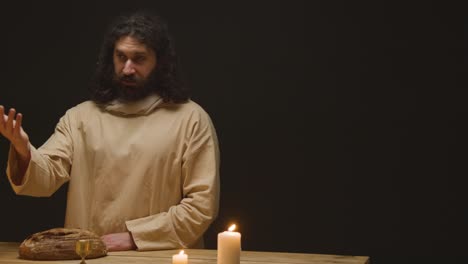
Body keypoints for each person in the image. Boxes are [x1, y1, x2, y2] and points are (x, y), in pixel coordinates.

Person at [0, 12, 220, 252]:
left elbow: (201, 206)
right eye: (121, 57)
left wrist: (135, 237)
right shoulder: (81, 118)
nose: (127, 68)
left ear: (160, 62)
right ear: (110, 58)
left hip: (159, 257)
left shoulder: (191, 120)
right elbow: (46, 177)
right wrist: (23, 151)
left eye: (139, 59)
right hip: (89, 257)